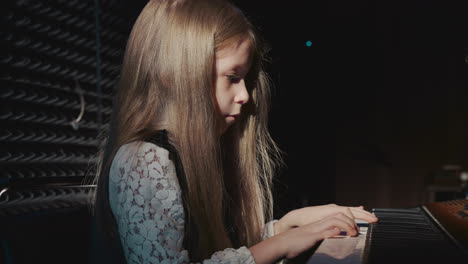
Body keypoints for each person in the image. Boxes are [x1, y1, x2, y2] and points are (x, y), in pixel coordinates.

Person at [89, 0, 378, 263]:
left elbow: (219, 251)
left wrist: (288, 224)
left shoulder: (193, 152)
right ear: (175, 74)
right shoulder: (144, 160)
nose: (244, 95)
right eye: (232, 77)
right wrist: (281, 244)